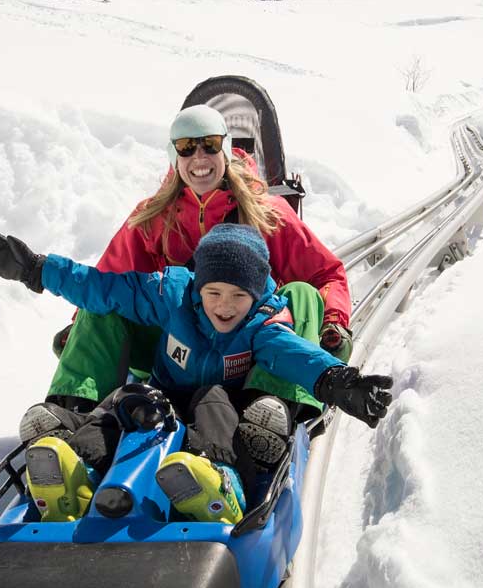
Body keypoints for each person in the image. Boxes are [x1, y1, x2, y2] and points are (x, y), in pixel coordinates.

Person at [0, 221, 392, 525]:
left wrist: (341, 381)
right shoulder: (169, 295)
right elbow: (103, 288)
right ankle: (73, 470)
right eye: (214, 293)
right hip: (164, 396)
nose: (225, 306)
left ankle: (220, 484)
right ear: (197, 288)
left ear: (257, 293)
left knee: (212, 402)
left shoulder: (262, 323)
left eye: (238, 296)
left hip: (224, 407)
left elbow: (295, 353)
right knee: (120, 407)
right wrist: (36, 270)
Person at [45, 103, 352, 419]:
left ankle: (273, 407)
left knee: (301, 293)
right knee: (101, 303)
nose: (199, 157)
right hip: (173, 353)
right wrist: (78, 330)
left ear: (227, 149)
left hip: (250, 352)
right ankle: (72, 409)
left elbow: (325, 274)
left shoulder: (267, 213)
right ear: (174, 156)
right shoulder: (151, 218)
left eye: (210, 144)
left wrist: (332, 322)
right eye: (187, 147)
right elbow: (109, 280)